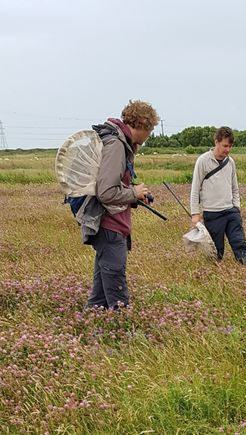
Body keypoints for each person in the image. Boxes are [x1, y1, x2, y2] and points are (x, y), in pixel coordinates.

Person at [85, 100, 159, 310]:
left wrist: (135, 194)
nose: (149, 135)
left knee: (99, 294)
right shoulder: (117, 145)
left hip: (110, 225)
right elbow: (106, 192)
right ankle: (122, 331)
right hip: (110, 226)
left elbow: (114, 185)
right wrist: (133, 192)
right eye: (150, 130)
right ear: (142, 125)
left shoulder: (121, 143)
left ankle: (89, 329)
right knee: (116, 284)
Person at [189, 126, 246, 265]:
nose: (227, 150)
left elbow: (235, 188)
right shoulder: (202, 161)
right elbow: (195, 190)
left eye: (230, 146)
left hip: (231, 212)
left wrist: (236, 208)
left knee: (239, 243)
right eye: (225, 145)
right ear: (216, 142)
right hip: (212, 214)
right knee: (216, 252)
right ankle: (215, 275)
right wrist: (195, 214)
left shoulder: (230, 162)